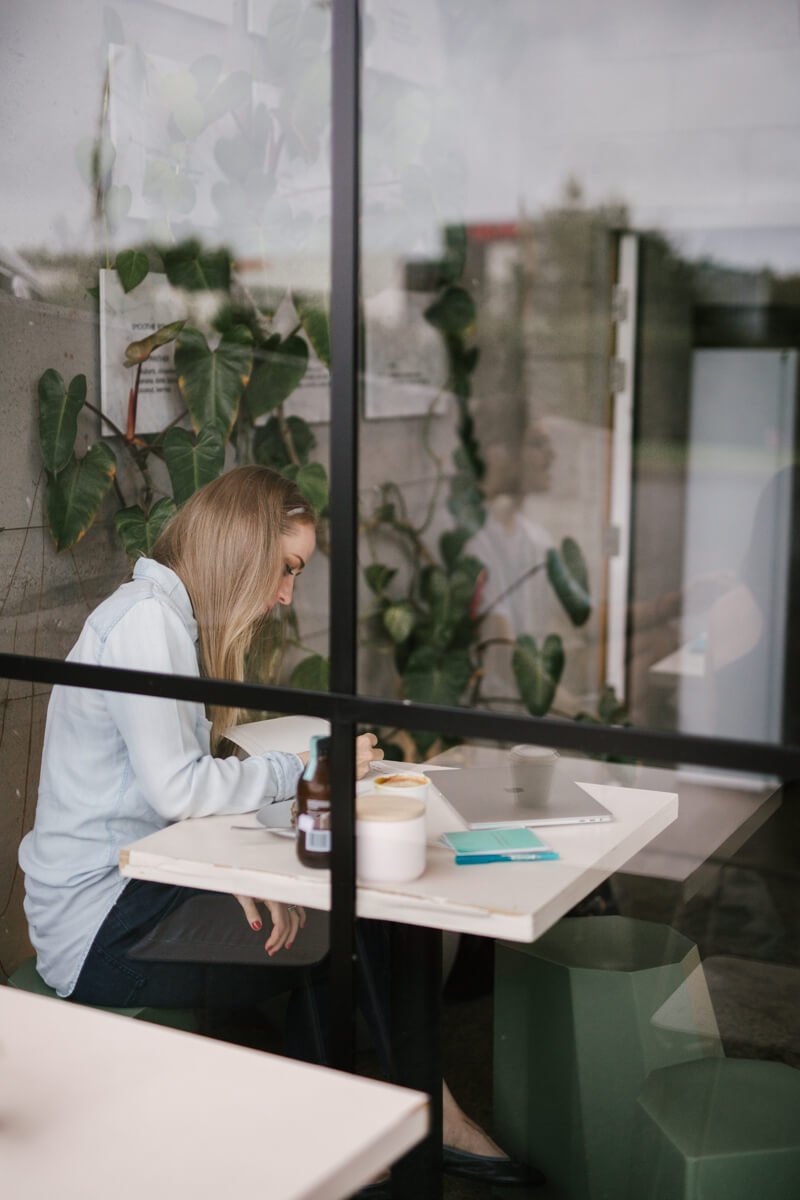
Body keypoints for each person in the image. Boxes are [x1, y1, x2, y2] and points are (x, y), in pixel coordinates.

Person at [19, 465, 532, 1192]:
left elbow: (157, 799)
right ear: (240, 546)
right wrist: (307, 765)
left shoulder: (163, 616)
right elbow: (179, 790)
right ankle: (381, 1132)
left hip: (138, 890)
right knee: (348, 933)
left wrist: (224, 881)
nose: (287, 595)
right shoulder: (146, 621)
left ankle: (359, 1132)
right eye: (286, 568)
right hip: (99, 929)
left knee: (347, 920)